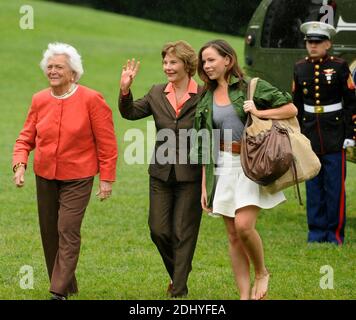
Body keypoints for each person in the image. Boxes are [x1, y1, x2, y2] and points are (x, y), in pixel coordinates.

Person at [191, 39, 297, 300]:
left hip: (251, 162)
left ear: (228, 60)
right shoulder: (205, 96)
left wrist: (260, 112)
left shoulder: (251, 86)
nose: (207, 65)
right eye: (204, 61)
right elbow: (205, 143)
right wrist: (206, 184)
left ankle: (261, 272)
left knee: (244, 226)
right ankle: (243, 295)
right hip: (222, 166)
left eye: (212, 59)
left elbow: (291, 108)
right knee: (233, 235)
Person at [12, 42, 118, 300]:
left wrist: (106, 178)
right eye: (49, 66)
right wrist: (20, 163)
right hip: (45, 174)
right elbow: (25, 137)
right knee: (49, 232)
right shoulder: (39, 99)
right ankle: (66, 285)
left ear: (73, 72)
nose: (52, 70)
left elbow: (107, 142)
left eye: (59, 66)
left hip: (78, 176)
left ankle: (57, 292)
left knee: (67, 228)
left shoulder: (91, 99)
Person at [118, 41, 203, 298]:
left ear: (187, 65)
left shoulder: (203, 94)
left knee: (182, 232)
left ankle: (178, 291)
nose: (167, 67)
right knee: (158, 230)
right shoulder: (156, 92)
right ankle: (179, 272)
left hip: (192, 174)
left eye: (173, 62)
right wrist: (124, 90)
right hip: (160, 172)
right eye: (165, 62)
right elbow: (130, 113)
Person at [292, 21, 356, 245]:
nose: (313, 46)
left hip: (335, 134)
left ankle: (335, 235)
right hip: (310, 134)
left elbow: (351, 103)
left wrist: (350, 134)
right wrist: (296, 134)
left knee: (334, 188)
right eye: (310, 42)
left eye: (318, 42)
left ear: (328, 44)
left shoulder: (339, 67)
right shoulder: (300, 67)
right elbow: (297, 105)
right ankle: (316, 233)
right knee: (314, 186)